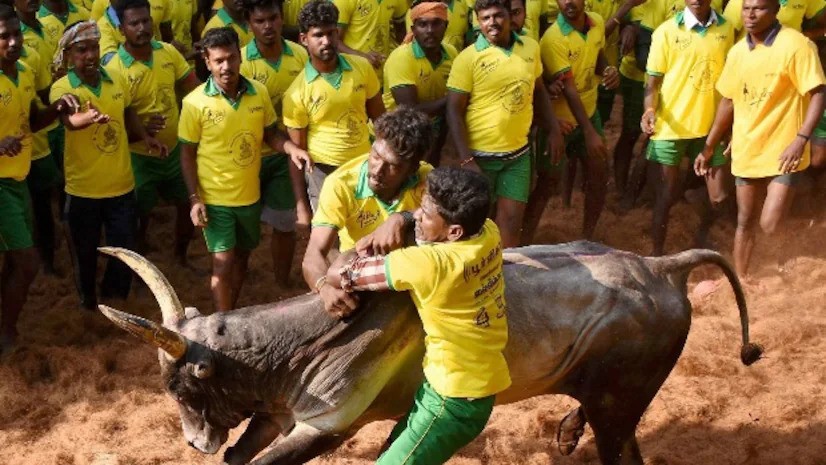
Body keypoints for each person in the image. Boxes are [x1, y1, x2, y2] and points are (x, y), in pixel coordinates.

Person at [326, 167, 509, 465]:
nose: (418, 218)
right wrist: (405, 217)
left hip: (450, 401)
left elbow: (339, 274)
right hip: (464, 385)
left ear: (454, 232)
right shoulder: (488, 232)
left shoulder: (428, 265)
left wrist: (369, 239)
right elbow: (422, 220)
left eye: (426, 214)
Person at [178, 27, 310, 311]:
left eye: (231, 58)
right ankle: (222, 325)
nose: (226, 67)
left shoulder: (258, 93)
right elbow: (187, 155)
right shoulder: (194, 104)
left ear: (240, 57)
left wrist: (292, 149)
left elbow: (270, 134)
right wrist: (194, 199)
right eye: (218, 61)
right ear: (206, 61)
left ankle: (230, 314)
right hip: (215, 201)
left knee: (241, 258)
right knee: (222, 263)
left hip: (249, 198)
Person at [696, 0, 826, 277]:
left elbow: (818, 93)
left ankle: (786, 257)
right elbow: (727, 103)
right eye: (746, 9)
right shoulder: (737, 53)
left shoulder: (797, 45)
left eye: (760, 8)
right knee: (745, 222)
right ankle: (742, 280)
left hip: (784, 149)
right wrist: (708, 147)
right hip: (747, 149)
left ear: (776, 10)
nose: (751, 15)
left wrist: (801, 139)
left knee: (769, 223)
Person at [50, 21, 166, 310]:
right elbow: (70, 122)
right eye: (81, 50)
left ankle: (114, 304)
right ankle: (88, 305)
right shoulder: (62, 88)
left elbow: (127, 112)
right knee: (85, 255)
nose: (89, 55)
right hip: (82, 193)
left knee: (125, 252)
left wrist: (145, 137)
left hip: (122, 188)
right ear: (68, 55)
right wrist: (87, 119)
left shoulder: (116, 79)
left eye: (93, 48)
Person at [446, 0, 563, 248]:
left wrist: (553, 128)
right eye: (485, 18)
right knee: (477, 226)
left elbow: (539, 90)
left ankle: (506, 278)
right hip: (480, 158)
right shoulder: (468, 58)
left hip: (518, 155)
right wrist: (467, 160)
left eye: (498, 16)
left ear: (510, 16)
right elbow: (454, 112)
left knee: (510, 224)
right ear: (477, 22)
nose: (492, 23)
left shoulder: (530, 47)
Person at [0, 4, 80, 352]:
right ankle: (8, 332)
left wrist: (57, 108)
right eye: (4, 36)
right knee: (28, 261)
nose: (14, 42)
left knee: (15, 261)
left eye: (16, 34)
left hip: (19, 180)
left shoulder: (24, 71)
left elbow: (32, 120)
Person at [302, 106, 433, 313]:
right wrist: (324, 288)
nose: (377, 170)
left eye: (392, 166)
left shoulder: (426, 177)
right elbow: (314, 253)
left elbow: (445, 221)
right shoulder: (340, 184)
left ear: (412, 169)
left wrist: (401, 218)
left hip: (410, 270)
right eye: (376, 156)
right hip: (360, 273)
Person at [104, 0, 201, 265]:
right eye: (134, 23)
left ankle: (181, 258)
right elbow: (115, 124)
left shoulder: (168, 52)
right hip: (138, 157)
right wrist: (142, 133)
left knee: (188, 204)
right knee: (139, 214)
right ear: (121, 29)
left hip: (175, 151)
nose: (142, 28)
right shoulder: (114, 70)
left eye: (146, 21)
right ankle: (141, 263)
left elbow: (193, 88)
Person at [640, 0, 734, 255]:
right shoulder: (666, 32)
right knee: (664, 198)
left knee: (719, 197)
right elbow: (653, 82)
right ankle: (656, 254)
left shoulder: (728, 29)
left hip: (710, 129)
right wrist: (649, 110)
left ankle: (701, 235)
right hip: (671, 129)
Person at [283, 0, 384, 222]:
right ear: (303, 40)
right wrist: (301, 206)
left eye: (331, 33)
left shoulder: (362, 68)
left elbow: (381, 120)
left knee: (366, 229)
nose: (326, 41)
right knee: (331, 239)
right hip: (323, 172)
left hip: (364, 166)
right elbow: (297, 155)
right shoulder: (297, 92)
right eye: (318, 35)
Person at [527, 0, 618, 241]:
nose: (568, 2)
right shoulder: (553, 39)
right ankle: (523, 243)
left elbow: (597, 54)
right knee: (547, 184)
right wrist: (589, 132)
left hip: (589, 114)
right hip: (560, 123)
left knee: (599, 175)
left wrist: (608, 69)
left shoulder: (597, 22)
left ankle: (587, 238)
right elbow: (568, 88)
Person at [240, 0, 309, 286]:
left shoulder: (301, 55)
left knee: (284, 224)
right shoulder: (240, 61)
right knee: (244, 228)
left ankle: (281, 284)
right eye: (259, 21)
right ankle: (238, 280)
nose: (267, 26)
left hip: (286, 156)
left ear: (282, 19)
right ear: (249, 24)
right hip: (248, 157)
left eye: (272, 18)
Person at [383, 1, 456, 165]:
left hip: (432, 136)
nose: (430, 31)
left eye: (436, 23)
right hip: (399, 136)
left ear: (446, 26)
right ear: (414, 29)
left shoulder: (451, 53)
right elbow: (410, 110)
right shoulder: (401, 58)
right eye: (423, 24)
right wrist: (453, 98)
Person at [405, 0, 469, 51]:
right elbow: (412, 38)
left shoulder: (463, 4)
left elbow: (466, 35)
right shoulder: (419, 8)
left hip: (454, 56)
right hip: (427, 57)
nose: (429, 29)